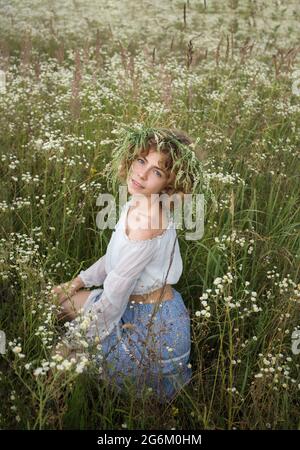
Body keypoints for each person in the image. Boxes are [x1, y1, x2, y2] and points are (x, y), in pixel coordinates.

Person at [51, 126, 208, 403]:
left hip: (153, 329)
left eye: (157, 172)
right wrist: (76, 282)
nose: (142, 174)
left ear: (168, 184)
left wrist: (73, 341)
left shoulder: (148, 222)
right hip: (132, 304)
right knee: (58, 300)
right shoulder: (138, 202)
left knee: (60, 361)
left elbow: (112, 302)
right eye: (141, 160)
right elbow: (114, 258)